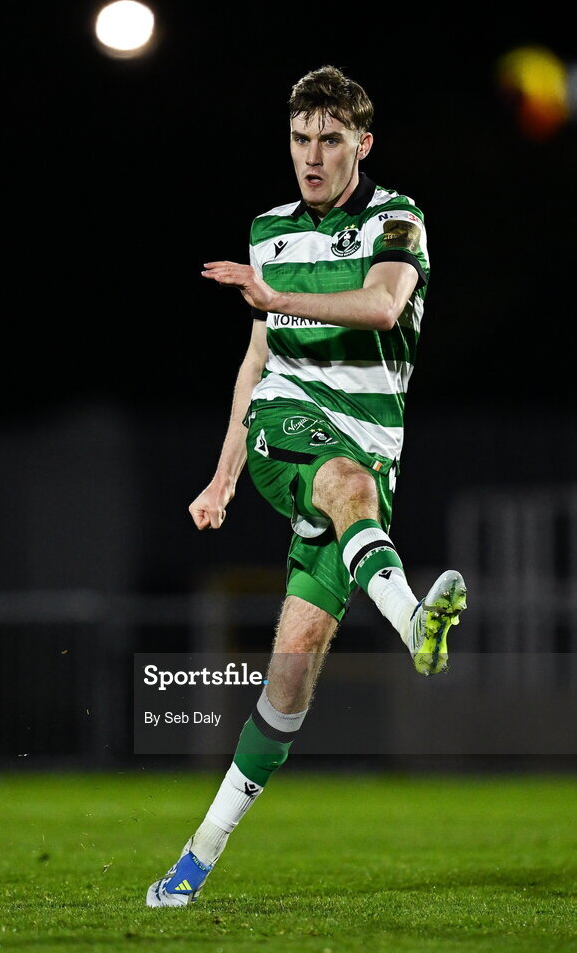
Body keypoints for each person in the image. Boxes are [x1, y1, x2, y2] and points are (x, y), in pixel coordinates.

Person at [145, 65, 467, 908]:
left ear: (363, 143)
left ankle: (195, 858)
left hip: (366, 462)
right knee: (339, 474)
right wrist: (220, 479)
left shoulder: (400, 220)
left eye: (329, 140)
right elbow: (256, 363)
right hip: (287, 430)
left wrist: (273, 294)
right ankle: (412, 620)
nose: (311, 157)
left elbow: (384, 308)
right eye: (299, 139)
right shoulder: (269, 231)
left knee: (287, 684)